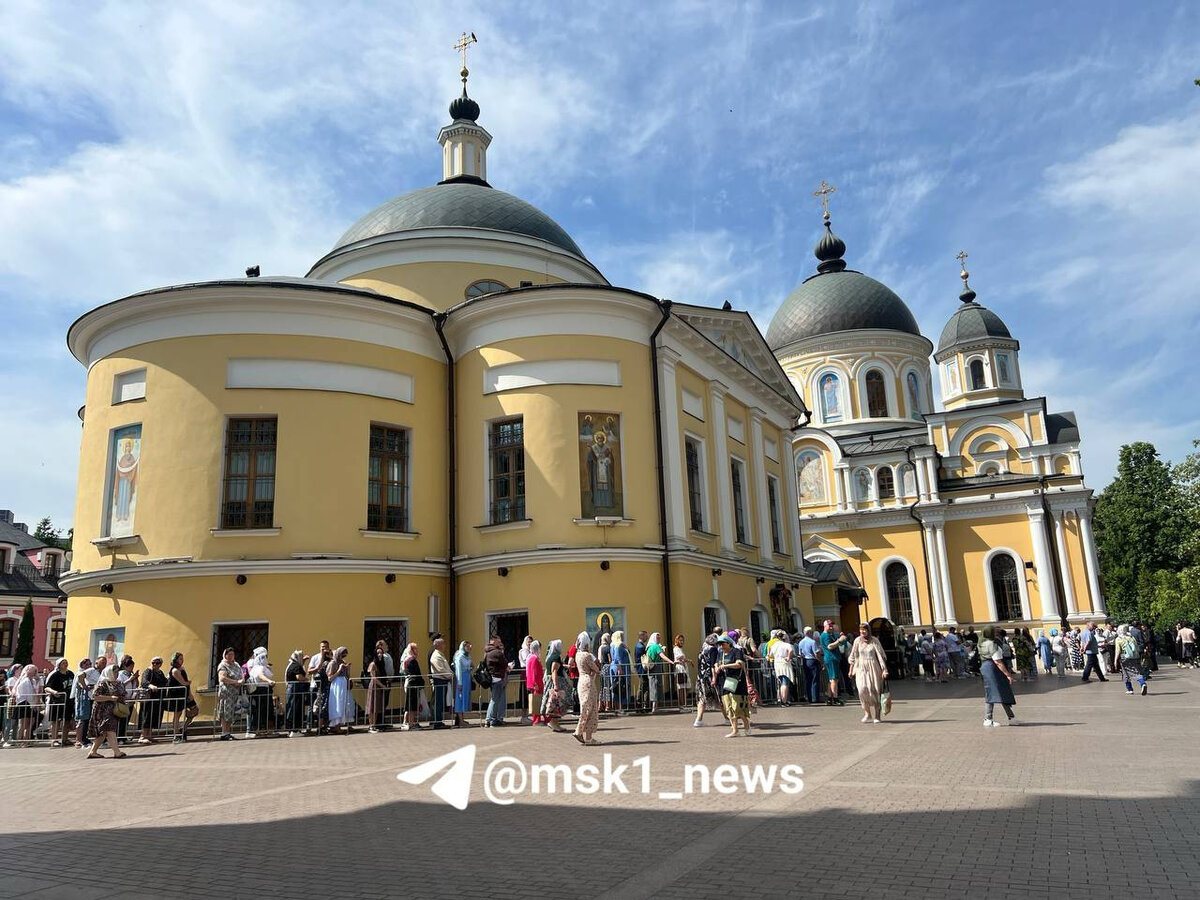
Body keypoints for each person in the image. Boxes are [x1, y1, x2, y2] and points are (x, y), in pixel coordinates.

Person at [848, 623, 888, 724]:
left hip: (873, 668)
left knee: (874, 690)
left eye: (864, 630)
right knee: (862, 690)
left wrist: (884, 670)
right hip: (861, 668)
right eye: (861, 630)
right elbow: (853, 656)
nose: (862, 632)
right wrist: (851, 669)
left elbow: (881, 656)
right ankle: (867, 713)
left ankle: (877, 715)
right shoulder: (857, 641)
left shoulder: (874, 641)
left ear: (868, 630)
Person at [86, 664, 129, 758]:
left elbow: (123, 694)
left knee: (104, 733)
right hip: (102, 711)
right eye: (114, 671)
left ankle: (93, 752)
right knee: (110, 730)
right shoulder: (102, 683)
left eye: (117, 671)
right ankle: (117, 752)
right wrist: (110, 698)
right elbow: (95, 696)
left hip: (114, 711)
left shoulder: (118, 683)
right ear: (109, 672)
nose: (116, 674)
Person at [978, 626, 1017, 727]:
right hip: (993, 669)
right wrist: (1008, 675)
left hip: (985, 667)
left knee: (990, 693)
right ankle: (1009, 717)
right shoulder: (992, 644)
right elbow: (998, 661)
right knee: (1002, 691)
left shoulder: (981, 643)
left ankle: (989, 718)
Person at [714, 634, 750, 737]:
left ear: (729, 643)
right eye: (719, 644)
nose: (721, 646)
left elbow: (739, 664)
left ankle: (746, 725)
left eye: (723, 644)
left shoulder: (736, 652)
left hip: (737, 683)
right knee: (728, 707)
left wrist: (725, 666)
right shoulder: (720, 653)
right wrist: (717, 667)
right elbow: (716, 663)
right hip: (724, 682)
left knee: (737, 707)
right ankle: (735, 730)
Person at [573, 632, 601, 745]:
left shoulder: (578, 654)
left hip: (581, 681)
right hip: (588, 681)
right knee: (591, 709)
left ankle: (584, 734)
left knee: (585, 707)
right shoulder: (587, 655)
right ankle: (584, 734)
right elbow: (596, 669)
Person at [165, 652, 199, 742]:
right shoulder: (174, 670)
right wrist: (188, 683)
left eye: (182, 658)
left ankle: (183, 728)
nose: (182, 660)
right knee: (177, 715)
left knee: (195, 710)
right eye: (180, 659)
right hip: (177, 694)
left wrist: (189, 693)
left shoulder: (182, 668)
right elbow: (183, 683)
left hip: (185, 693)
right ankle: (176, 735)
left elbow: (186, 684)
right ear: (175, 660)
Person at [137, 656, 168, 743]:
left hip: (157, 698)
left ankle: (149, 735)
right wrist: (150, 685)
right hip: (148, 698)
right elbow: (144, 681)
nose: (155, 664)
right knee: (146, 716)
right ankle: (142, 736)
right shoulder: (148, 671)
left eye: (158, 663)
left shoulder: (160, 672)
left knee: (153, 716)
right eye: (153, 662)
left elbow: (165, 681)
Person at [44, 658, 75, 747]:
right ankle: (54, 739)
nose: (65, 664)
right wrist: (54, 692)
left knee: (67, 720)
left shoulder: (70, 674)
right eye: (63, 663)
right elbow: (47, 687)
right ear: (59, 665)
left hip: (69, 700)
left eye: (66, 662)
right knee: (56, 721)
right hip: (57, 701)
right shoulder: (55, 675)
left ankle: (64, 739)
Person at [215, 648, 244, 741]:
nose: (231, 656)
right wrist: (235, 681)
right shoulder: (223, 665)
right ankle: (224, 732)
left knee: (231, 713)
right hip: (226, 693)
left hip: (234, 693)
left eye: (233, 654)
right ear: (225, 655)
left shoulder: (236, 665)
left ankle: (228, 732)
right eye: (229, 654)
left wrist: (241, 681)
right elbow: (222, 678)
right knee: (225, 712)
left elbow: (241, 674)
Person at [326, 647, 356, 734]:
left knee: (345, 704)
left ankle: (346, 724)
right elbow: (330, 678)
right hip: (337, 685)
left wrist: (348, 669)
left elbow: (347, 675)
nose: (343, 657)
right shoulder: (333, 663)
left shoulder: (343, 662)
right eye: (342, 655)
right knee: (338, 704)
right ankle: (336, 726)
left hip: (344, 685)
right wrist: (339, 670)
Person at [246, 647, 275, 737]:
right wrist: (268, 681)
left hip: (262, 690)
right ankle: (253, 730)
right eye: (264, 658)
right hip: (260, 690)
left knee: (262, 711)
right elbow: (260, 675)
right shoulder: (258, 667)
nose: (265, 659)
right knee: (258, 711)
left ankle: (259, 730)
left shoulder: (261, 667)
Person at [693, 634, 721, 727]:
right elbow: (713, 665)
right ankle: (727, 719)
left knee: (702, 699)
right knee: (718, 697)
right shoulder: (713, 650)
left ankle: (698, 719)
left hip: (700, 678)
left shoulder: (701, 651)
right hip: (708, 677)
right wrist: (714, 677)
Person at [541, 639, 568, 732]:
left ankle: (556, 723)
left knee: (554, 703)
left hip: (550, 681)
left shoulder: (550, 657)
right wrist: (556, 685)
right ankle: (553, 722)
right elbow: (554, 670)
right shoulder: (556, 657)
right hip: (555, 682)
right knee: (556, 703)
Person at [72, 658, 99, 749]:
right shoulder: (81, 673)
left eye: (89, 664)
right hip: (82, 698)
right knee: (83, 718)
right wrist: (86, 687)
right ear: (82, 665)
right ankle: (79, 739)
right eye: (86, 664)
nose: (88, 665)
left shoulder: (90, 673)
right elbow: (80, 684)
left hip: (88, 697)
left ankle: (84, 738)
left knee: (87, 718)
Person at [820, 621, 848, 706]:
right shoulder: (825, 636)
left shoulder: (829, 635)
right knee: (834, 679)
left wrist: (840, 636)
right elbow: (830, 646)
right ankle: (835, 698)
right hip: (831, 658)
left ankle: (829, 698)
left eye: (832, 625)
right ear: (825, 626)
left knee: (831, 679)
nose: (831, 627)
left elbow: (837, 638)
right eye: (830, 625)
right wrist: (839, 640)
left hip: (832, 658)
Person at [366, 641, 392, 733]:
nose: (380, 654)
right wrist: (383, 686)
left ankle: (375, 724)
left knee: (377, 707)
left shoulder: (381, 664)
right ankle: (371, 726)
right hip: (374, 687)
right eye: (378, 653)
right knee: (372, 707)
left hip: (379, 687)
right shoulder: (373, 664)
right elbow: (373, 678)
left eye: (381, 653)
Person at [1114, 625, 1148, 695]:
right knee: (1127, 673)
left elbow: (1118, 650)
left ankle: (1142, 683)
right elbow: (1137, 648)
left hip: (1125, 658)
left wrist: (1115, 660)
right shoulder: (1131, 637)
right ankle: (1129, 688)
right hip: (1135, 657)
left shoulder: (1118, 639)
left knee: (1133, 673)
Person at [398, 642, 424, 731]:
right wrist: (422, 682)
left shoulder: (407, 659)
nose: (417, 651)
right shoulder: (412, 660)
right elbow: (416, 673)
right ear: (412, 650)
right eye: (416, 649)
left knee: (409, 704)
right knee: (411, 705)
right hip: (413, 684)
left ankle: (406, 722)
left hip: (410, 683)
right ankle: (411, 723)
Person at [428, 635, 452, 730]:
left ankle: (439, 720)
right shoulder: (436, 656)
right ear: (438, 645)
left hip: (443, 680)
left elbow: (446, 668)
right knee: (438, 702)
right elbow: (440, 669)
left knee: (440, 702)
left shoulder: (440, 654)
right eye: (443, 643)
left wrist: (450, 674)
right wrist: (450, 676)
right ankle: (437, 722)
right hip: (439, 680)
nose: (445, 645)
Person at [484, 636, 509, 727]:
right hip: (498, 678)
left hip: (492, 678)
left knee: (494, 699)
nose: (500, 643)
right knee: (494, 700)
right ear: (493, 641)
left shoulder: (487, 652)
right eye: (498, 641)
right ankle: (491, 719)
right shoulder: (497, 652)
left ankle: (490, 719)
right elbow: (505, 663)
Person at [284, 650, 310, 737]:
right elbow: (299, 677)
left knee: (291, 708)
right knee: (296, 709)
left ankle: (291, 730)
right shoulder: (296, 666)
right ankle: (295, 730)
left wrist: (304, 661)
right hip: (296, 689)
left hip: (292, 689)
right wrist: (306, 679)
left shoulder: (291, 664)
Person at [309, 641, 332, 735]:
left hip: (326, 686)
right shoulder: (315, 657)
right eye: (322, 647)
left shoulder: (330, 658)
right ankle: (310, 727)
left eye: (326, 647)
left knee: (325, 707)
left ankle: (324, 727)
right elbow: (309, 671)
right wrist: (319, 664)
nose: (324, 649)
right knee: (313, 707)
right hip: (315, 686)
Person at [645, 632, 670, 713]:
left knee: (652, 685)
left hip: (651, 668)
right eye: (658, 638)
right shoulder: (656, 646)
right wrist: (670, 661)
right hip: (656, 667)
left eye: (659, 638)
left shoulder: (649, 647)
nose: (659, 639)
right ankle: (655, 707)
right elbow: (662, 655)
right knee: (657, 686)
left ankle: (654, 706)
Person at [769, 632, 794, 706]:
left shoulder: (774, 645)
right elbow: (791, 650)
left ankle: (781, 699)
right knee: (785, 682)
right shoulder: (786, 644)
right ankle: (784, 700)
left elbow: (770, 655)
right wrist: (789, 657)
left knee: (781, 682)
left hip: (777, 664)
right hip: (785, 663)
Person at [798, 626, 821, 704]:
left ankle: (809, 697)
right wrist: (820, 661)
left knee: (808, 680)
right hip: (812, 660)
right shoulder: (812, 642)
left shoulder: (801, 642)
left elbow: (800, 653)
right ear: (809, 633)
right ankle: (815, 698)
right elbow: (816, 653)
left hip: (805, 661)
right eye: (811, 632)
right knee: (815, 680)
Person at [452, 640, 473, 727]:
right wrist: (460, 683)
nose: (469, 648)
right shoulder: (459, 657)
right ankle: (460, 720)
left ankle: (462, 719)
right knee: (460, 699)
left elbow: (469, 666)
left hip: (467, 678)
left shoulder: (467, 656)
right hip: (461, 679)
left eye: (469, 646)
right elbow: (459, 671)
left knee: (465, 698)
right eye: (467, 646)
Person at [610, 630, 631, 714]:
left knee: (621, 687)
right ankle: (619, 707)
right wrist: (620, 669)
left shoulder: (618, 645)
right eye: (621, 636)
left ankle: (620, 707)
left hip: (622, 668)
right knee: (619, 687)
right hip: (620, 668)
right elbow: (617, 658)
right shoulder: (617, 646)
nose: (622, 637)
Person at [525, 640, 544, 725]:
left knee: (537, 701)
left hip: (536, 683)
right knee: (537, 702)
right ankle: (536, 720)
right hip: (537, 684)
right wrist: (535, 684)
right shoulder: (534, 658)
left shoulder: (531, 657)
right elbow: (534, 672)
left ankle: (537, 719)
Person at [673, 634, 693, 709]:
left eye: (682, 640)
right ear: (677, 641)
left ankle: (683, 703)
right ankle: (682, 704)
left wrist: (688, 661)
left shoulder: (680, 648)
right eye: (680, 640)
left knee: (687, 687)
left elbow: (682, 658)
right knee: (681, 687)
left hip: (684, 668)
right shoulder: (676, 648)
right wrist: (686, 659)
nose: (681, 642)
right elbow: (679, 658)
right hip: (680, 669)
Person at [597, 632, 613, 714]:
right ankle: (607, 705)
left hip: (601, 667)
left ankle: (600, 705)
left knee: (602, 687)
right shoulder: (607, 647)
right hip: (607, 667)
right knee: (607, 686)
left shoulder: (600, 647)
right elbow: (610, 659)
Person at [633, 631, 649, 711]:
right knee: (642, 687)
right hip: (642, 669)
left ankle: (645, 705)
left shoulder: (641, 645)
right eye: (646, 636)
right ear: (641, 636)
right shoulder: (640, 646)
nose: (647, 637)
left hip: (643, 669)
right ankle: (639, 704)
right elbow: (645, 655)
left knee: (645, 687)